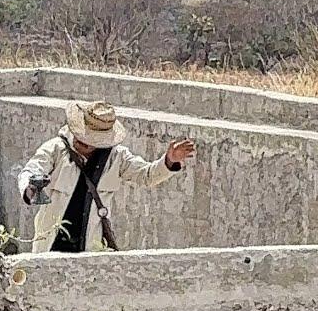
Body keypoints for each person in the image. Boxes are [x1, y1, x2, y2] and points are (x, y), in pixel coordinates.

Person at [17, 101, 195, 253]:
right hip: (49, 244)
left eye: (88, 142)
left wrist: (169, 161)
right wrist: (30, 187)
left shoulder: (117, 157)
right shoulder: (56, 149)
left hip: (89, 248)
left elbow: (146, 175)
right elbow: (32, 169)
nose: (81, 144)